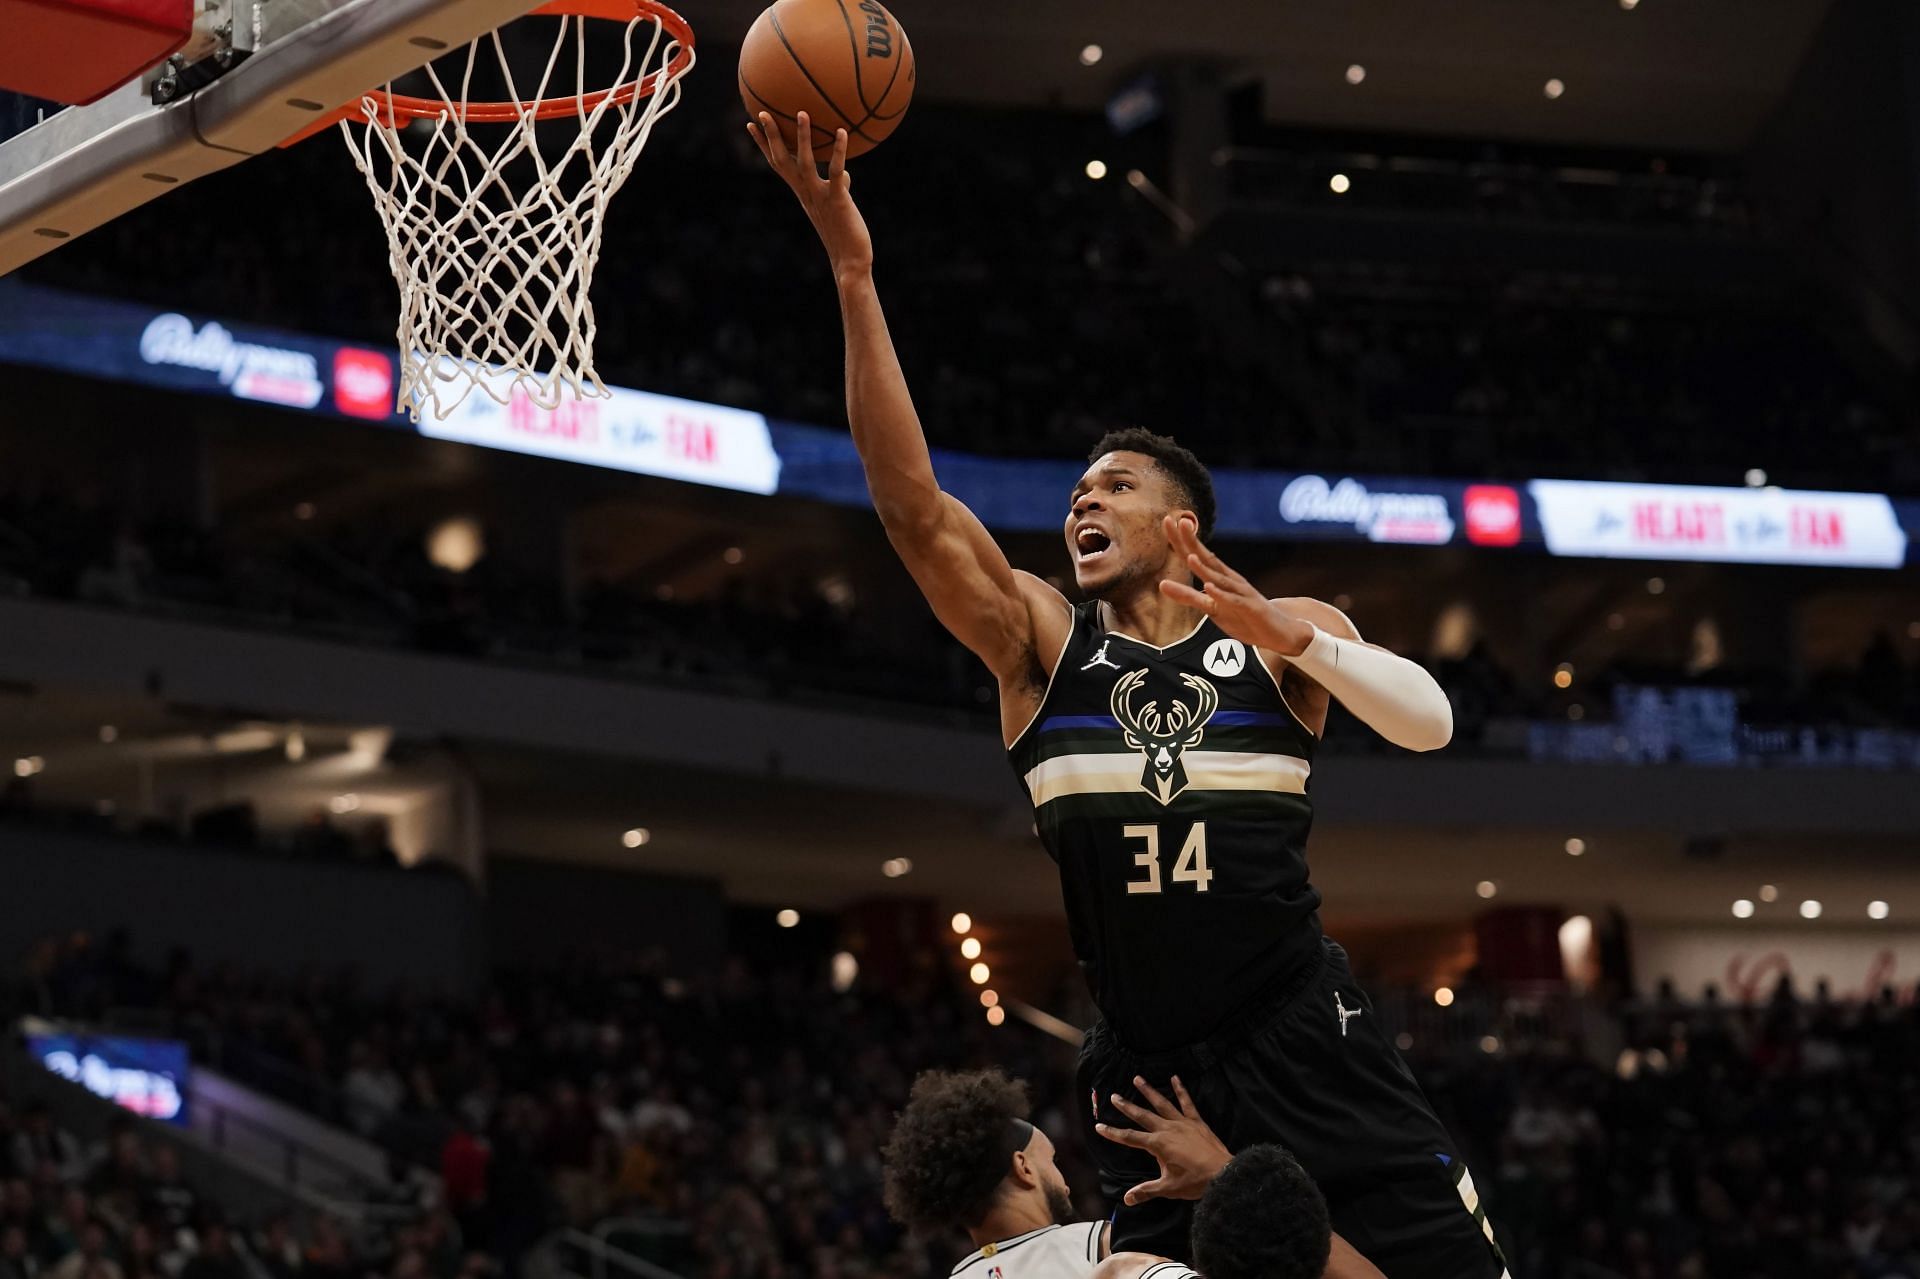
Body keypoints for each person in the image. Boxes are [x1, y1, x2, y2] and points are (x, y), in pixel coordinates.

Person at [751, 113, 1504, 1277]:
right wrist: (852, 266)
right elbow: (912, 506)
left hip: (1310, 1034)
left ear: (1179, 520)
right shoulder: (1040, 647)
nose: (1079, 505)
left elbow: (1431, 723)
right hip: (1155, 1069)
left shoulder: (1279, 641)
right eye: (1074, 494)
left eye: (1112, 485)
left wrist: (1293, 636)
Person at [880, 1070, 1380, 1279]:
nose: (1066, 1180)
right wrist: (1227, 1176)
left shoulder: (960, 1274)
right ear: (1024, 1168)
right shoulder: (1107, 1256)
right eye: (1052, 1161)